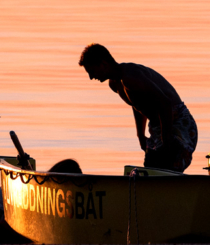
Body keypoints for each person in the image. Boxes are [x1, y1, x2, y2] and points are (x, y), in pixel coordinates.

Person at [78, 44, 198, 172]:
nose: (91, 77)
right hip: (159, 125)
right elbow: (137, 105)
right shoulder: (115, 84)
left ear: (103, 64)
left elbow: (165, 103)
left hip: (177, 122)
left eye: (91, 71)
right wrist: (140, 135)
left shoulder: (130, 77)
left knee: (166, 166)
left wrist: (166, 141)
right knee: (151, 166)